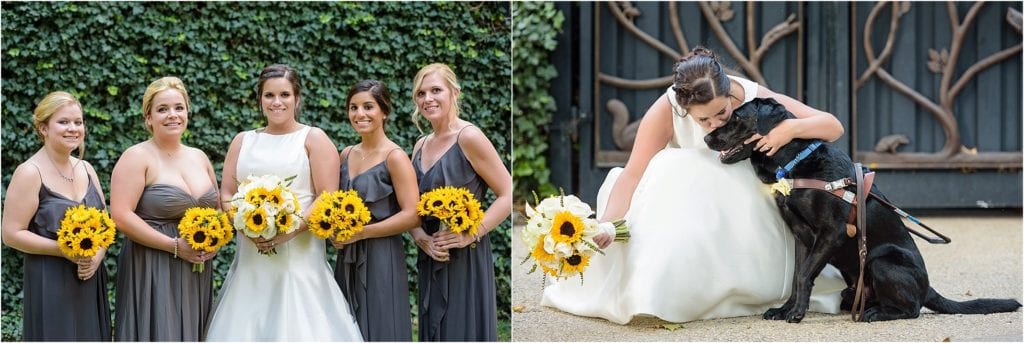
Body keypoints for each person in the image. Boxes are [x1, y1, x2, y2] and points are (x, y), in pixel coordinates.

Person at [541, 47, 848, 325]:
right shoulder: (666, 109)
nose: (716, 125)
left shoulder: (752, 96)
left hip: (745, 205)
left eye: (722, 114)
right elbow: (633, 173)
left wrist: (789, 128)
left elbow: (833, 126)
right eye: (704, 120)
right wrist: (607, 225)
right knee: (673, 165)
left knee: (684, 168)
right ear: (685, 109)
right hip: (683, 208)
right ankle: (663, 288)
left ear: (730, 96)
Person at [204, 64, 362, 341]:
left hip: (299, 256)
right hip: (251, 257)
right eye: (269, 95)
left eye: (285, 95)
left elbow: (326, 196)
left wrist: (287, 232)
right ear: (260, 100)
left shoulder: (313, 138)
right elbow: (227, 193)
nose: (277, 102)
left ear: (297, 99)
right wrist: (246, 228)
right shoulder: (243, 141)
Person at [109, 77, 220, 340]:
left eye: (179, 108)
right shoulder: (136, 157)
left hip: (196, 265)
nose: (173, 115)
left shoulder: (199, 156)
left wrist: (215, 240)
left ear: (187, 112)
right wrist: (174, 246)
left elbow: (216, 212)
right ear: (148, 118)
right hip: (152, 263)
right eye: (162, 109)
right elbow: (121, 216)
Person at [410, 63, 512, 341]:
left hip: (465, 254)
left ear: (454, 93)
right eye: (421, 93)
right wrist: (421, 238)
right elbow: (411, 206)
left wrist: (470, 234)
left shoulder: (469, 137)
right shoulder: (420, 145)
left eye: (436, 90)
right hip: (431, 254)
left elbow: (507, 193)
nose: (428, 99)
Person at [1, 91, 111, 341]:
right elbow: (11, 234)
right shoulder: (30, 172)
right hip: (50, 280)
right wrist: (64, 250)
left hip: (90, 278)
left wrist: (97, 255)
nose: (73, 128)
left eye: (78, 122)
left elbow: (105, 225)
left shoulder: (87, 168)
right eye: (63, 122)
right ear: (43, 128)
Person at [332, 80, 420, 341]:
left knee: (383, 322)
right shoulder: (346, 154)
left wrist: (361, 232)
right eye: (353, 107)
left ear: (384, 111)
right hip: (346, 253)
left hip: (382, 255)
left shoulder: (395, 157)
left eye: (368, 107)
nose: (360, 114)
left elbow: (412, 214)